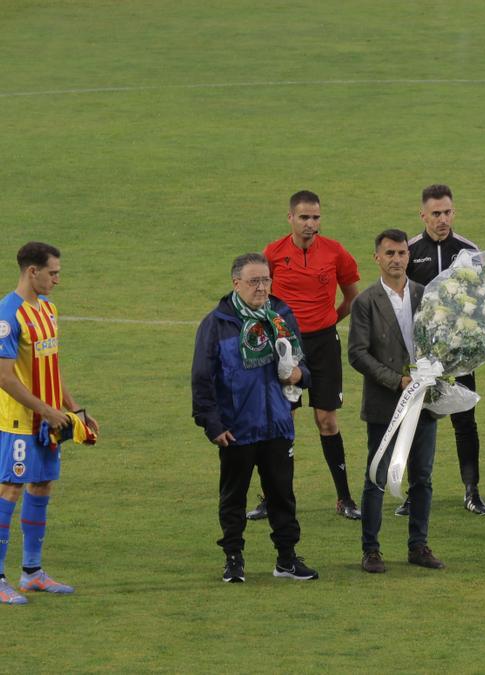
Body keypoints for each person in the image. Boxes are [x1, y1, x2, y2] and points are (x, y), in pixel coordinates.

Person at [192, 252, 319, 583]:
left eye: (266, 280)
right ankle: (233, 559)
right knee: (233, 497)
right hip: (237, 429)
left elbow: (306, 368)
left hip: (277, 425)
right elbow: (202, 379)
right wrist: (213, 425)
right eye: (254, 281)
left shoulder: (281, 316)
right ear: (236, 283)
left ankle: (287, 560)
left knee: (282, 495)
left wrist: (298, 376)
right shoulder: (216, 325)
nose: (262, 287)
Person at [0, 243, 100, 605]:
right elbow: (5, 377)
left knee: (41, 485)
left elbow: (51, 366)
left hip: (49, 420)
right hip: (18, 421)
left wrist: (75, 410)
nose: (57, 279)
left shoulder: (48, 309)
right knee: (10, 488)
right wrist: (48, 409)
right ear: (32, 271)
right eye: (52, 273)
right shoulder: (8, 314)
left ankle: (32, 573)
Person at [255, 190, 362, 521]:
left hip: (323, 344)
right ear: (290, 218)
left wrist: (327, 322)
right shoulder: (272, 253)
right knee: (281, 422)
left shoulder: (335, 252)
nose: (310, 224)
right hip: (284, 346)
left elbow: (352, 299)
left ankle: (344, 498)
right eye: (304, 217)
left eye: (315, 217)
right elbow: (257, 298)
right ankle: (272, 498)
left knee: (326, 419)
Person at [348, 230, 445, 571]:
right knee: (376, 476)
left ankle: (418, 546)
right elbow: (357, 354)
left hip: (424, 403)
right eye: (389, 253)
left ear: (408, 255)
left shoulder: (426, 295)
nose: (396, 259)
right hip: (386, 403)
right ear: (376, 257)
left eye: (402, 253)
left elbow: (441, 343)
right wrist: (398, 381)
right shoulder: (364, 302)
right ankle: (371, 550)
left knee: (423, 476)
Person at [400, 184, 485, 516]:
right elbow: (400, 301)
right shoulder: (408, 250)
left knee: (466, 421)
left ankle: (472, 491)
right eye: (436, 213)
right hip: (421, 358)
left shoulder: (468, 250)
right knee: (419, 422)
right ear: (423, 214)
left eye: (447, 212)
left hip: (459, 355)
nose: (442, 219)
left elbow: (482, 300)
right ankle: (415, 493)